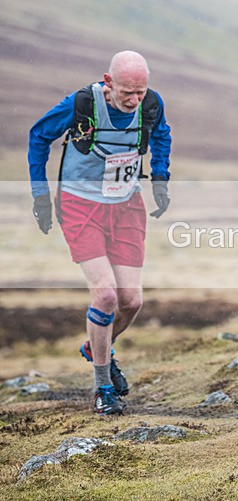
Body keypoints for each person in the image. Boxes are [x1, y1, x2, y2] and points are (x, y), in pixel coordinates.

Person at [28, 50, 172, 416]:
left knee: (131, 301)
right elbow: (38, 136)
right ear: (108, 83)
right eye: (126, 92)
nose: (134, 100)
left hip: (126, 207)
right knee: (106, 294)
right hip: (80, 206)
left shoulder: (151, 104)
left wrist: (160, 178)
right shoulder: (81, 104)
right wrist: (41, 195)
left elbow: (162, 136)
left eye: (140, 91)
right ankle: (102, 386)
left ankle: (98, 348)